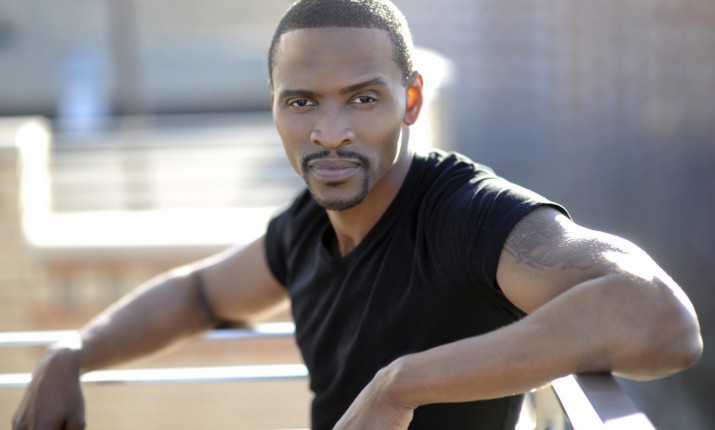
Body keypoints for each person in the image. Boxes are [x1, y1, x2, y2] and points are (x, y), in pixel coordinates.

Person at [13, 1, 703, 429]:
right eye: (302, 102)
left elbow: (658, 319)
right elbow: (198, 294)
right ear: (275, 105)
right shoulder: (306, 226)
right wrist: (72, 353)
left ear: (411, 101)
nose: (330, 133)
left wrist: (399, 386)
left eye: (363, 99)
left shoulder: (465, 215)